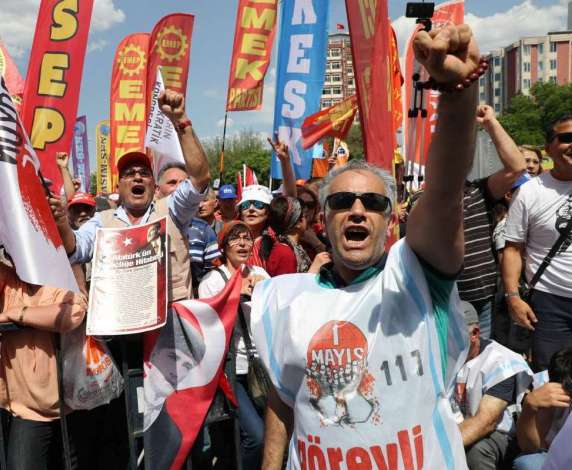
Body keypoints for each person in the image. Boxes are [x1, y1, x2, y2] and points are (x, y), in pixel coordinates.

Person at [250, 24, 483, 469]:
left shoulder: (416, 277)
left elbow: (445, 191)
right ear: (323, 218)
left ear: (392, 219)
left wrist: (455, 93)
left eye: (373, 203)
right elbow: (284, 398)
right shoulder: (283, 300)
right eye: (342, 201)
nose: (357, 211)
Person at [0, 159, 86, 470]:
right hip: (28, 410)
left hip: (77, 404)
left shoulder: (67, 266)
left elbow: (74, 313)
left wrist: (18, 313)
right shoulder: (10, 278)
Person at [59, 90, 211, 305]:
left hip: (172, 328)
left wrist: (181, 121)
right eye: (129, 174)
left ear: (153, 185)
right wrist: (61, 223)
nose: (138, 177)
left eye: (144, 173)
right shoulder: (102, 222)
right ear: (119, 187)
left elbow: (200, 177)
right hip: (120, 329)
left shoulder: (173, 211)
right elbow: (75, 248)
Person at [502, 114, 572, 371]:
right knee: (552, 381)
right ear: (548, 148)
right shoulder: (530, 191)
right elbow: (513, 249)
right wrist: (513, 297)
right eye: (567, 138)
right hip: (549, 305)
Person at [198, 221, 269, 469]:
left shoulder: (263, 276)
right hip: (231, 371)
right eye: (234, 239)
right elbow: (208, 325)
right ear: (223, 245)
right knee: (257, 437)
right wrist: (237, 294)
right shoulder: (212, 281)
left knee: (272, 434)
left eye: (247, 238)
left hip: (261, 369)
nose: (242, 243)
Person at [459, 104, 527, 339]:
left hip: (482, 304)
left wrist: (491, 123)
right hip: (441, 305)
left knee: (481, 367)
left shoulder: (478, 191)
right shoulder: (422, 202)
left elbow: (517, 167)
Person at [452, 302, 533, 469]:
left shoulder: (501, 362)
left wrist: (440, 447)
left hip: (499, 435)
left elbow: (486, 422)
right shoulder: (443, 356)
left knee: (477, 451)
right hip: (456, 425)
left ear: (474, 334)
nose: (447, 342)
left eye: (453, 336)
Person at [513, 348, 572, 470]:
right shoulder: (544, 388)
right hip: (553, 456)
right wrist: (529, 407)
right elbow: (529, 447)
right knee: (528, 463)